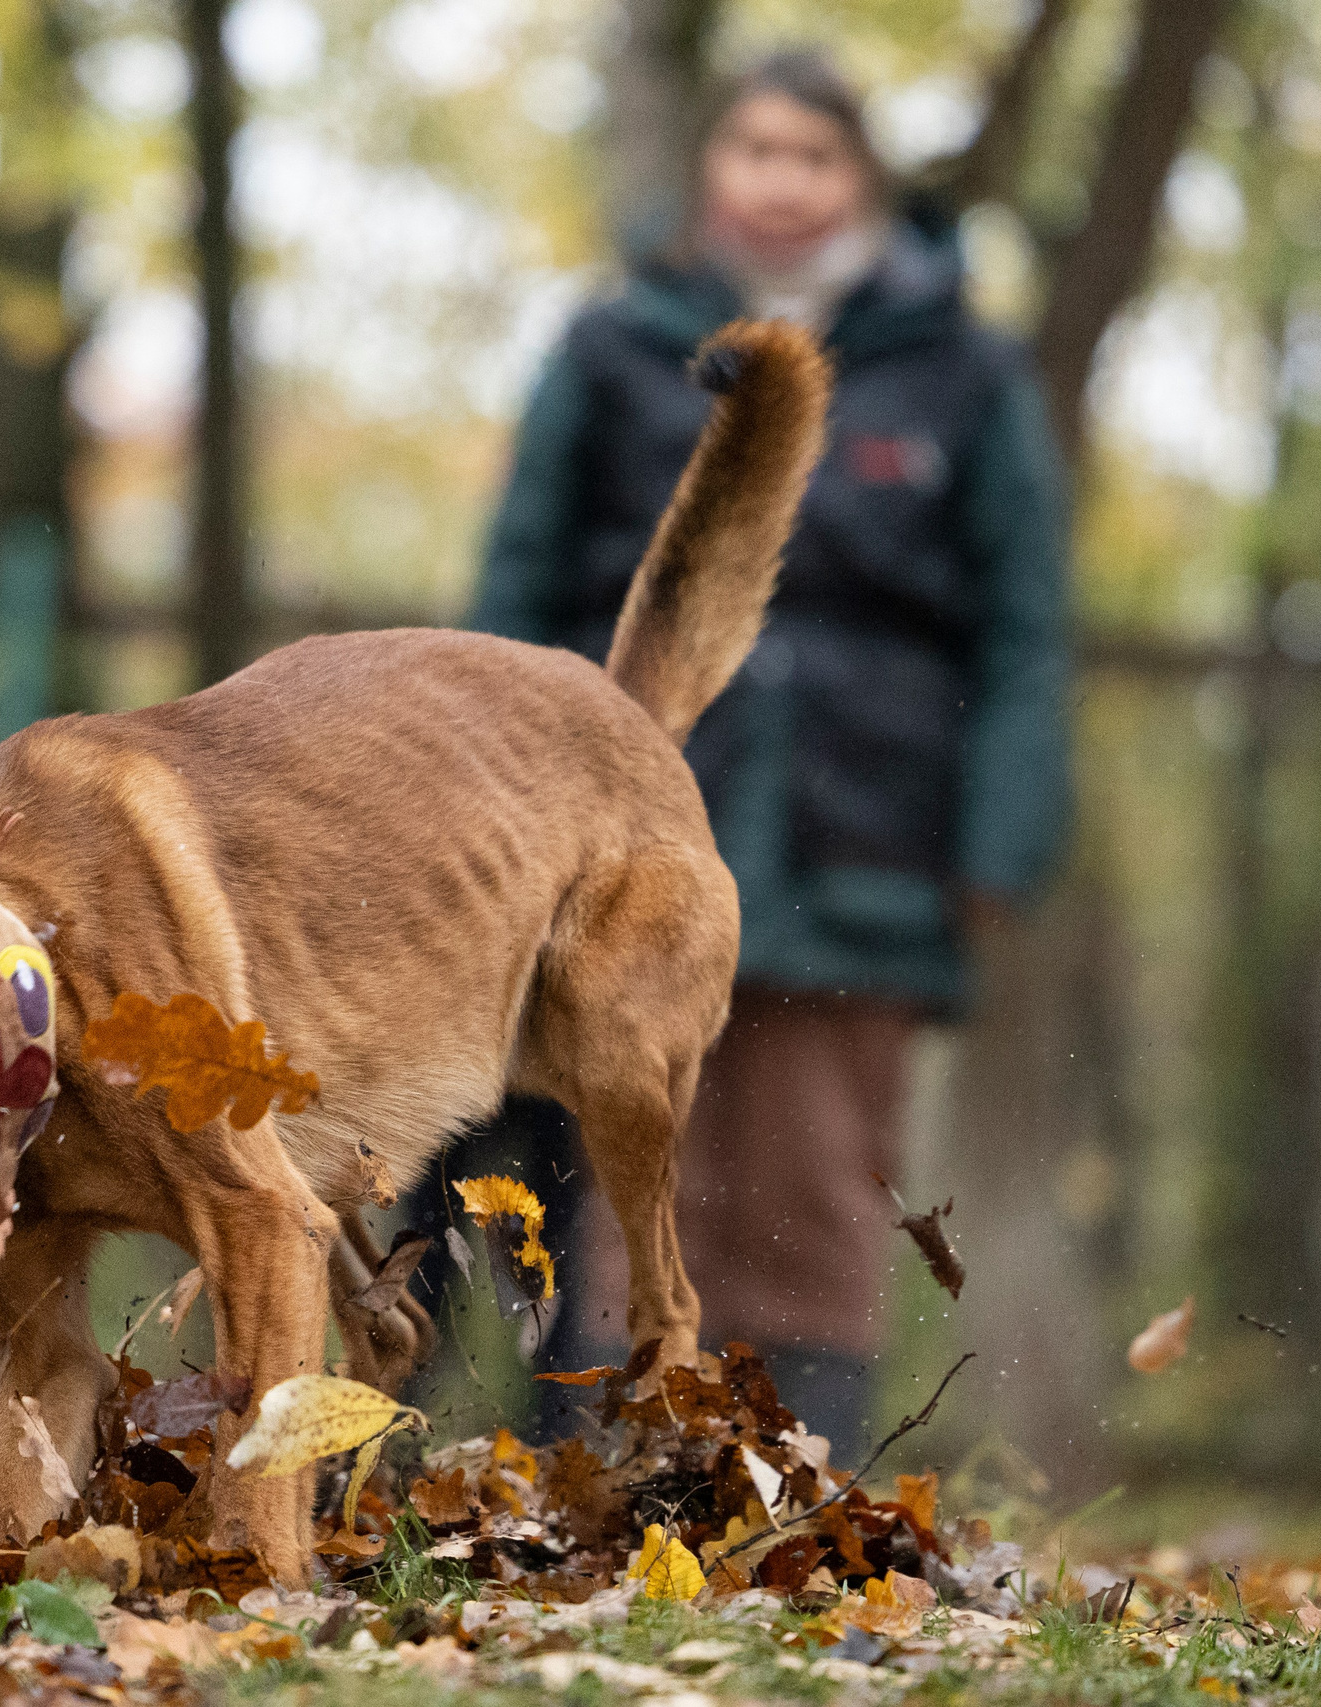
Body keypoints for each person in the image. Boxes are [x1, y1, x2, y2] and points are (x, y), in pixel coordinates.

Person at [439, 49, 1073, 1449]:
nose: (783, 182)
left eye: (816, 156)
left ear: (865, 183)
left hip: (872, 832)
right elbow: (518, 588)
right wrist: (492, 810)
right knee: (633, 1140)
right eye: (756, 151)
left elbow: (1025, 624)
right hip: (634, 825)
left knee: (814, 1168)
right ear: (710, 173)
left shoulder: (965, 373)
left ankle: (797, 1474)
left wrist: (1001, 835)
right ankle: (622, 1471)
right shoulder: (614, 347)